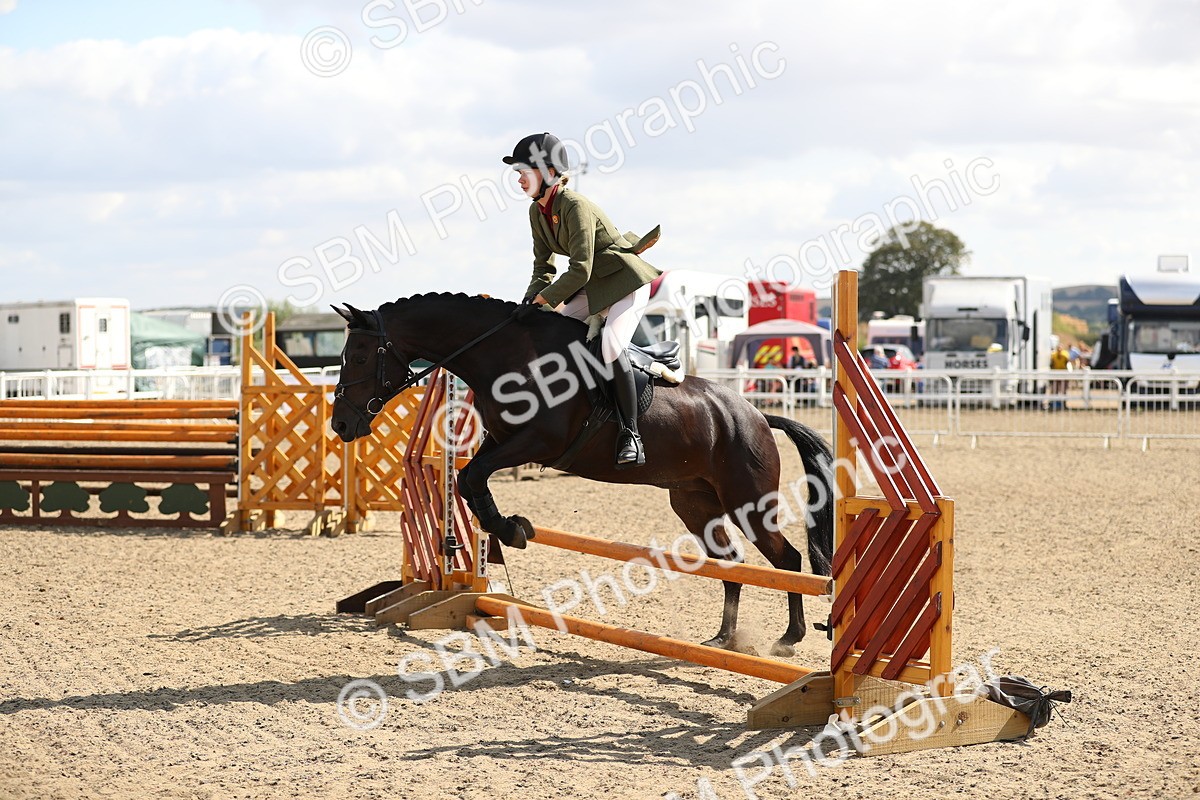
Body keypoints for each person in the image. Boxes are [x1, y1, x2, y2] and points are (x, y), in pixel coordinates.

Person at [505, 132, 662, 468]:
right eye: (517, 173)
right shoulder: (538, 213)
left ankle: (631, 434)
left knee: (609, 347)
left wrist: (544, 300)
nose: (518, 179)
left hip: (625, 283)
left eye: (523, 172)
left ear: (548, 173)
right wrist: (530, 301)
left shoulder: (575, 206)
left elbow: (579, 268)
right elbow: (543, 267)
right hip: (593, 287)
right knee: (551, 333)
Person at [1048, 343, 1070, 410]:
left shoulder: (1065, 355)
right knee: (1054, 390)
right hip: (1056, 374)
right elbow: (1052, 365)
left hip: (1063, 374)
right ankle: (1052, 403)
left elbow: (1067, 363)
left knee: (1063, 390)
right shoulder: (1054, 355)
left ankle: (1063, 403)